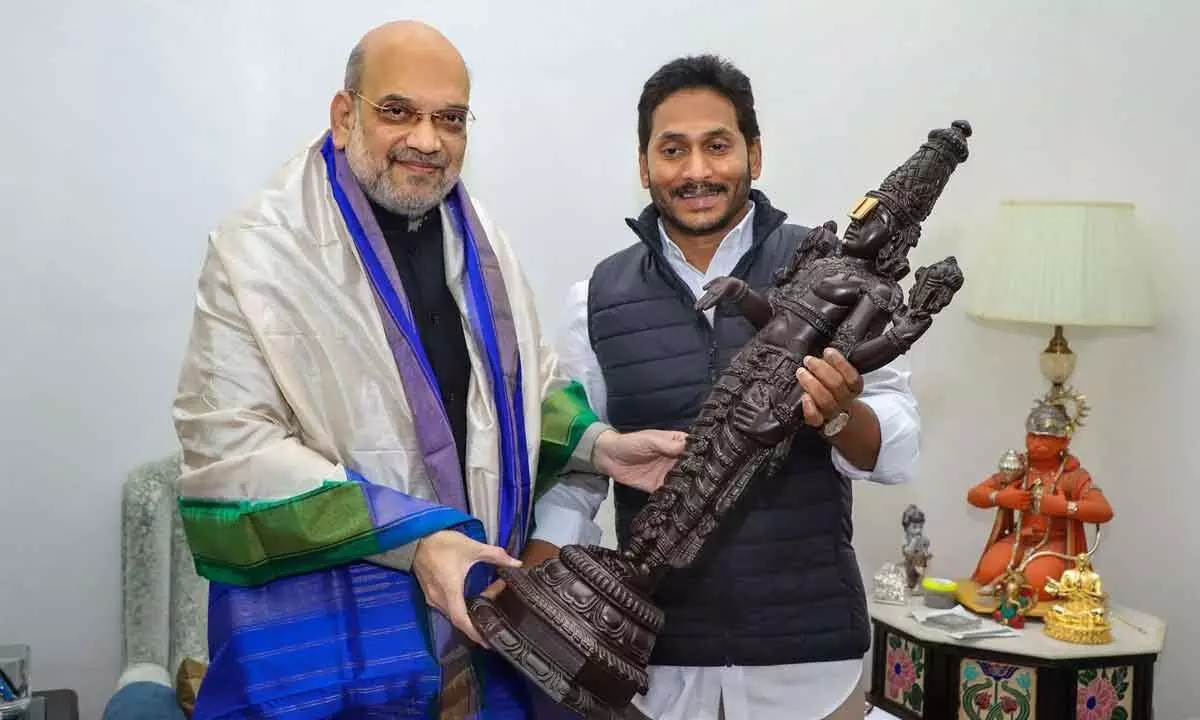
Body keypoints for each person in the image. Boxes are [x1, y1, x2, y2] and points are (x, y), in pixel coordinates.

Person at [171, 20, 683, 719]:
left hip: (468, 645)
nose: (426, 139)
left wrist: (602, 445)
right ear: (345, 113)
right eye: (398, 111)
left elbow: (515, 391)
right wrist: (413, 539)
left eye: (449, 119)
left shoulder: (480, 243)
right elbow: (232, 451)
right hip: (327, 660)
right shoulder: (257, 254)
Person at [526, 55, 922, 720]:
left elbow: (897, 446)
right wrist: (534, 585)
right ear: (644, 165)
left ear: (754, 154)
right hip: (654, 668)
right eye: (672, 150)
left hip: (809, 666)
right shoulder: (593, 298)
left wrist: (839, 413)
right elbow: (583, 469)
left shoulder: (835, 275)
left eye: (717, 145)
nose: (697, 172)